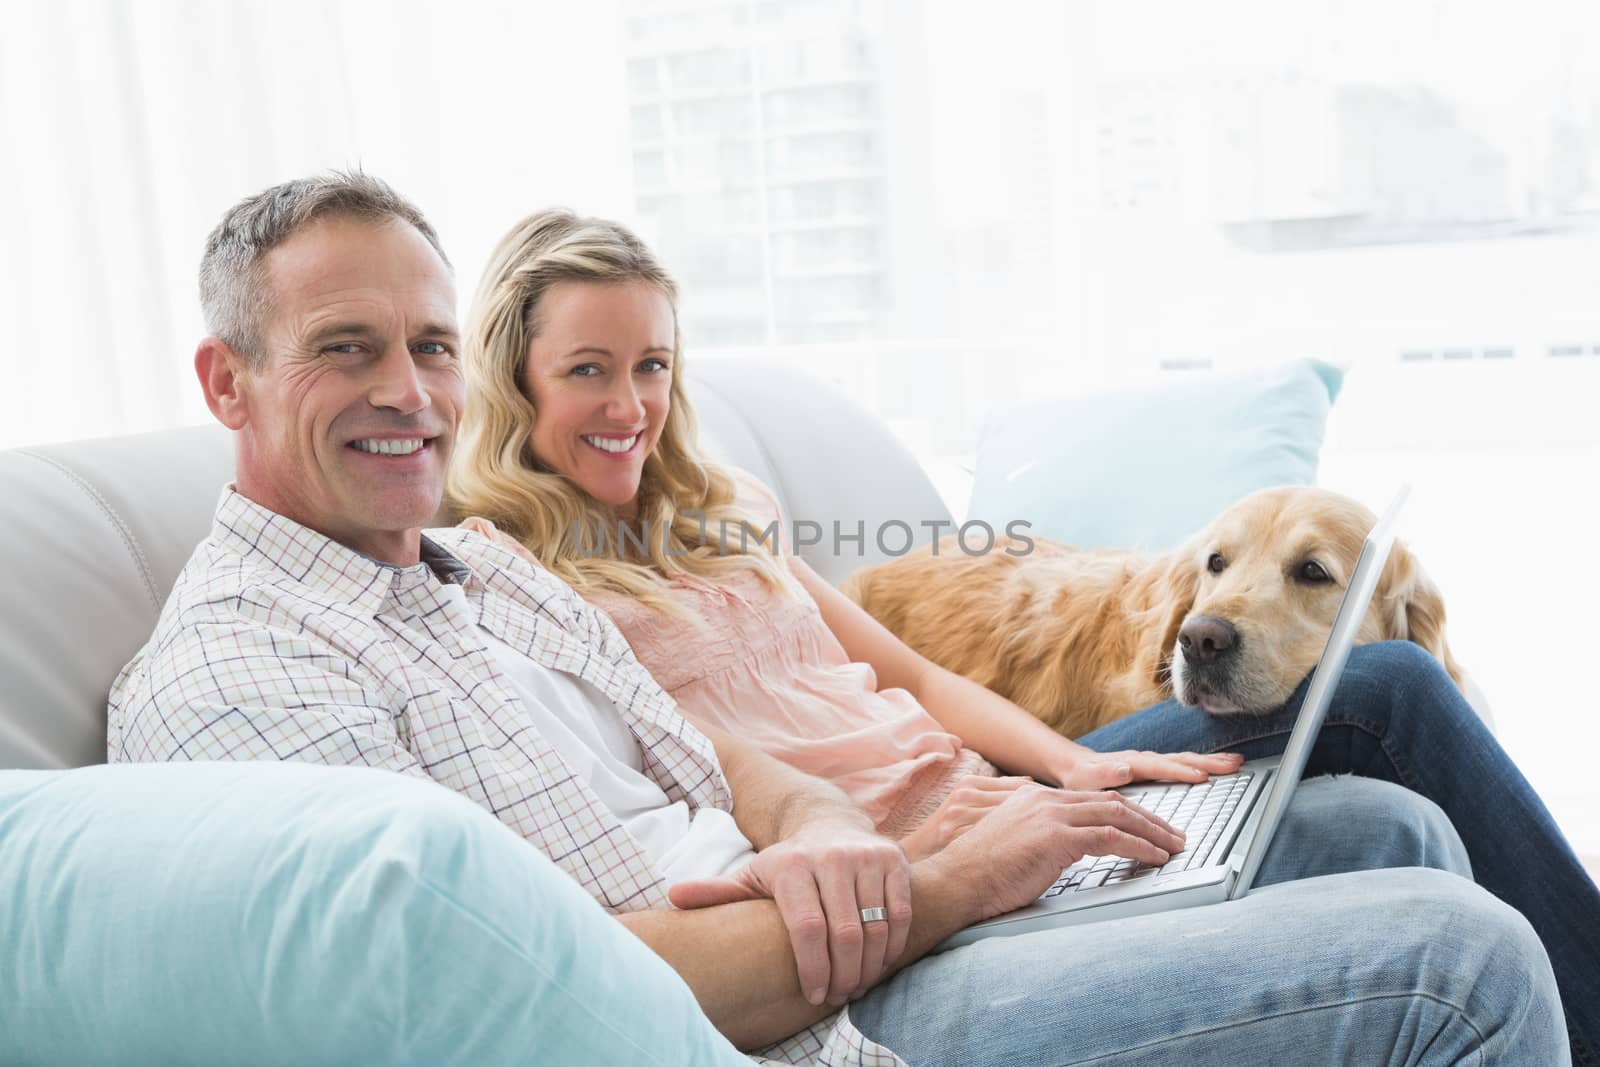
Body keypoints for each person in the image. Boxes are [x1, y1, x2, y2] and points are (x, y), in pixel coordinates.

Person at [107, 174, 1569, 1066]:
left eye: (427, 348)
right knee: (1463, 949)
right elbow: (514, 1009)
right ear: (225, 381)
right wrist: (928, 886)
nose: (409, 394)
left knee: (1398, 832)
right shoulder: (248, 671)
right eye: (344, 350)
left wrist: (822, 828)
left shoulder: (469, 576)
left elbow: (738, 749)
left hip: (872, 897)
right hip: (819, 1019)